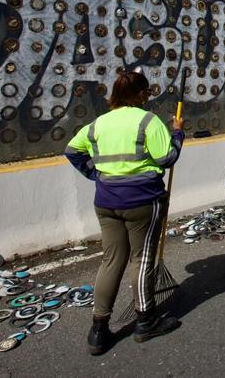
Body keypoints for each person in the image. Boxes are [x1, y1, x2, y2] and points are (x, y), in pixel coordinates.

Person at [65, 70, 184, 355]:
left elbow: (72, 150)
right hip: (143, 201)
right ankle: (145, 321)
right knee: (141, 259)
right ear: (141, 94)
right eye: (147, 93)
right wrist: (178, 133)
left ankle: (98, 328)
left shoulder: (98, 124)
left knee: (111, 261)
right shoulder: (148, 121)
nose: (148, 98)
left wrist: (96, 175)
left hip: (106, 201)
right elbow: (167, 158)